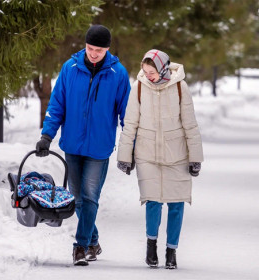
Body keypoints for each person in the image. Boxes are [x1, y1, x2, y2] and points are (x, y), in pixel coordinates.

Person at [36, 24, 131, 266]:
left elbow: (127, 115)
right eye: (90, 48)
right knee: (78, 199)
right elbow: (57, 104)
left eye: (99, 50)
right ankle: (93, 241)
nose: (93, 53)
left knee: (90, 197)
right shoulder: (70, 68)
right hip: (73, 146)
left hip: (99, 149)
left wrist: (129, 148)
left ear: (107, 49)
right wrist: (47, 136)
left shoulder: (118, 74)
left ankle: (80, 246)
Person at [117, 49, 203, 269]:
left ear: (163, 68)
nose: (148, 76)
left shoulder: (179, 87)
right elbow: (130, 124)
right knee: (152, 201)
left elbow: (190, 125)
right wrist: (125, 156)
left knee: (176, 203)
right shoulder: (138, 88)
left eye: (152, 72)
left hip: (176, 154)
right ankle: (151, 246)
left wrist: (195, 157)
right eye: (145, 72)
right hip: (147, 153)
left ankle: (171, 251)